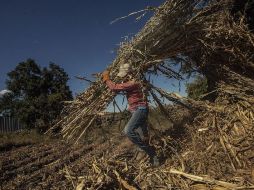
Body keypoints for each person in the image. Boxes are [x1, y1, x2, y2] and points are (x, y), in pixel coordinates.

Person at [102, 63, 159, 167]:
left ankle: (150, 151)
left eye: (125, 75)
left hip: (140, 109)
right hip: (136, 110)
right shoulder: (134, 81)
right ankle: (151, 156)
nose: (123, 77)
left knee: (128, 131)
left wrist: (106, 78)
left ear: (130, 73)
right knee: (144, 135)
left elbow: (114, 87)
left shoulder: (133, 82)